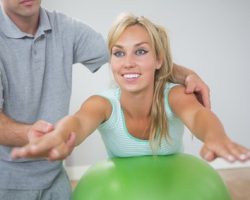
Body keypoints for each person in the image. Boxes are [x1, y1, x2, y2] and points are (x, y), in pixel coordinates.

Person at [0, 0, 210, 199]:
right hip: (6, 180)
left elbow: (127, 56)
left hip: (54, 179)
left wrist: (185, 74)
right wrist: (32, 134)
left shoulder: (66, 29)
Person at [12, 13, 250, 167]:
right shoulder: (103, 104)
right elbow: (78, 122)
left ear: (159, 60)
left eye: (140, 51)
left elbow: (199, 116)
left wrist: (216, 137)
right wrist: (59, 135)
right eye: (118, 53)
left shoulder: (174, 95)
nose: (128, 62)